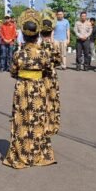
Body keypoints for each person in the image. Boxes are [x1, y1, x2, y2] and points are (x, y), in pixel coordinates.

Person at [3, 9, 56, 169]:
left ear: (24, 36)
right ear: (37, 34)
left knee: (22, 120)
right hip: (39, 88)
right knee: (38, 119)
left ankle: (21, 154)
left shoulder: (18, 54)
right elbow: (48, 70)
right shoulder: (43, 54)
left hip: (22, 89)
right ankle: (37, 153)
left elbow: (13, 72)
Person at [39, 9, 61, 137]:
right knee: (51, 100)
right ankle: (50, 125)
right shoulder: (54, 47)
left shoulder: (38, 47)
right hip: (52, 76)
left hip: (40, 77)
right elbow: (57, 62)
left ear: (40, 33)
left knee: (41, 100)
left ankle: (40, 124)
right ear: (51, 31)